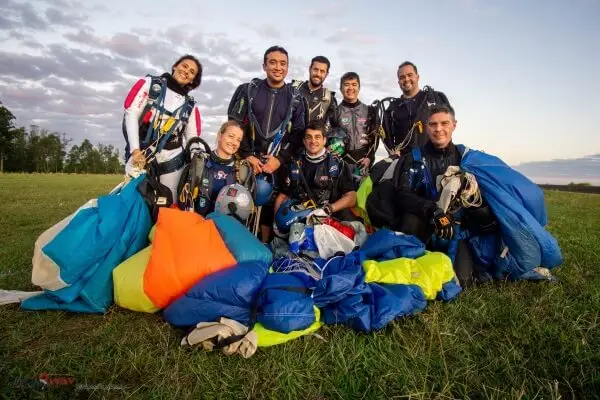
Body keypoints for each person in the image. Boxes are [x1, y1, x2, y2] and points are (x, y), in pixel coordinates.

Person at [366, 105, 495, 287]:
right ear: (427, 127)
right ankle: (409, 263)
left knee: (463, 281)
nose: (439, 129)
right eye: (433, 124)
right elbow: (402, 195)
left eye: (444, 123)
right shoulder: (414, 158)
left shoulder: (465, 158)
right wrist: (433, 211)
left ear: (454, 125)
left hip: (455, 231)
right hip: (421, 227)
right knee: (409, 221)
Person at [227, 45, 306, 242]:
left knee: (270, 209)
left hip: (277, 165)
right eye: (272, 62)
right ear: (264, 66)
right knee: (239, 206)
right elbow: (234, 124)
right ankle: (236, 245)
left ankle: (264, 247)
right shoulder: (248, 90)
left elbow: (299, 133)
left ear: (287, 68)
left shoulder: (296, 98)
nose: (277, 67)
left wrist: (280, 159)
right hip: (248, 162)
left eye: (282, 64)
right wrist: (247, 155)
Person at [122, 54, 202, 201]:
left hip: (173, 162)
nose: (186, 71)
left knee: (168, 204)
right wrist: (135, 150)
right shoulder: (150, 84)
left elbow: (192, 138)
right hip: (141, 155)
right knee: (132, 202)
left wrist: (198, 161)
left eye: (192, 72)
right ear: (175, 66)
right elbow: (131, 113)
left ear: (193, 80)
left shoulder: (191, 105)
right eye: (184, 66)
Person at [274, 120, 357, 225]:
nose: (313, 141)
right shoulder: (294, 164)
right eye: (309, 137)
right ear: (304, 141)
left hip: (329, 219)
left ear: (324, 140)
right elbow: (282, 197)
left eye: (317, 137)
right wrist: (277, 223)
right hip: (300, 219)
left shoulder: (338, 165)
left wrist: (327, 210)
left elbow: (352, 198)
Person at [177, 120, 254, 221]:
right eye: (231, 136)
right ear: (219, 136)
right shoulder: (200, 163)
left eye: (238, 140)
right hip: (199, 224)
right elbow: (184, 201)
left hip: (227, 228)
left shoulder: (243, 170)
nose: (234, 143)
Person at [379, 61, 451, 155]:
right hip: (404, 162)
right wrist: (392, 152)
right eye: (402, 77)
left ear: (417, 77)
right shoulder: (392, 108)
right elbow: (386, 135)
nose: (406, 79)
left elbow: (448, 127)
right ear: (398, 82)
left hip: (434, 160)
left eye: (410, 75)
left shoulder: (436, 99)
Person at [334, 72, 377, 187]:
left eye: (354, 84)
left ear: (359, 87)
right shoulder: (334, 112)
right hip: (341, 164)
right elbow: (329, 139)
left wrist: (369, 158)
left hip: (363, 163)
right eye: (346, 84)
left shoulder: (370, 111)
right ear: (341, 88)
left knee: (361, 202)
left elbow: (375, 138)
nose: (350, 88)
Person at [292, 55, 338, 133]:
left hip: (313, 143)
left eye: (322, 71)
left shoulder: (330, 98)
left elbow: (334, 128)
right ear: (310, 69)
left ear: (326, 74)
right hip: (289, 142)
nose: (318, 74)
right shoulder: (293, 88)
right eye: (315, 69)